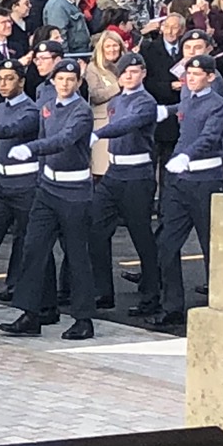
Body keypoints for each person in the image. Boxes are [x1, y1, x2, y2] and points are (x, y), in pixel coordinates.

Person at [0, 59, 98, 341]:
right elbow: (45, 137)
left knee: (77, 255)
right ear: (53, 81)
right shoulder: (48, 106)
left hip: (75, 192)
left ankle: (83, 318)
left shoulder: (81, 111)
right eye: (60, 79)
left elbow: (64, 140)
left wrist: (30, 148)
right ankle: (31, 312)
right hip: (47, 189)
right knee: (33, 249)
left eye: (70, 79)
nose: (65, 84)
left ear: (78, 82)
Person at [155, 55, 223, 327]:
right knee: (166, 243)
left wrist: (187, 155)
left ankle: (220, 306)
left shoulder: (218, 104)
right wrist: (169, 109)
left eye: (197, 74)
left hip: (205, 179)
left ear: (210, 77)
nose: (191, 79)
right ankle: (171, 306)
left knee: (209, 244)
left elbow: (210, 136)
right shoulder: (188, 94)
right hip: (180, 180)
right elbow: (187, 107)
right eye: (189, 74)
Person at [87, 56, 163, 318]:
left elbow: (126, 125)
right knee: (96, 229)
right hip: (114, 172)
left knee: (141, 235)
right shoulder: (117, 101)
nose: (129, 76)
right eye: (125, 73)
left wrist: (99, 133)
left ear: (143, 72)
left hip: (137, 173)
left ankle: (151, 295)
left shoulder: (145, 102)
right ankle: (101, 291)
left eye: (134, 71)